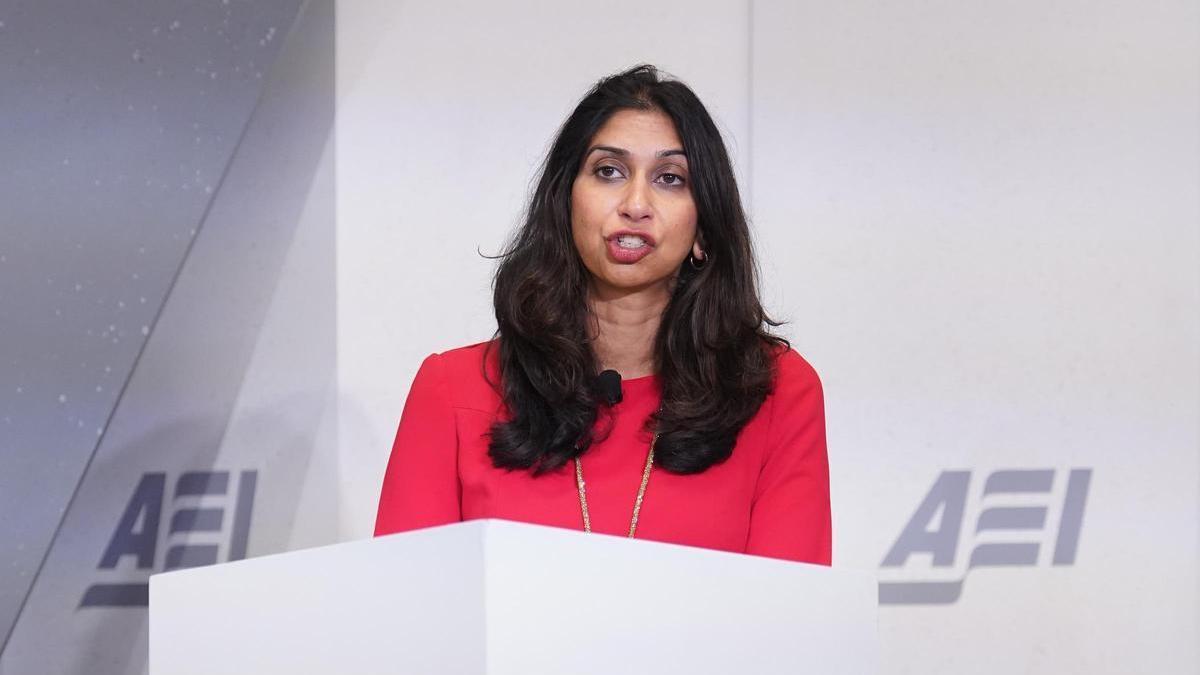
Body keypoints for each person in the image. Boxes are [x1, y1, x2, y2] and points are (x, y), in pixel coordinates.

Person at [375, 64, 830, 565]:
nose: (636, 203)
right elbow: (408, 615)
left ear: (703, 229)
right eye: (608, 171)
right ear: (564, 202)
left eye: (670, 179)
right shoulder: (453, 390)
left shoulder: (778, 391)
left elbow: (789, 623)